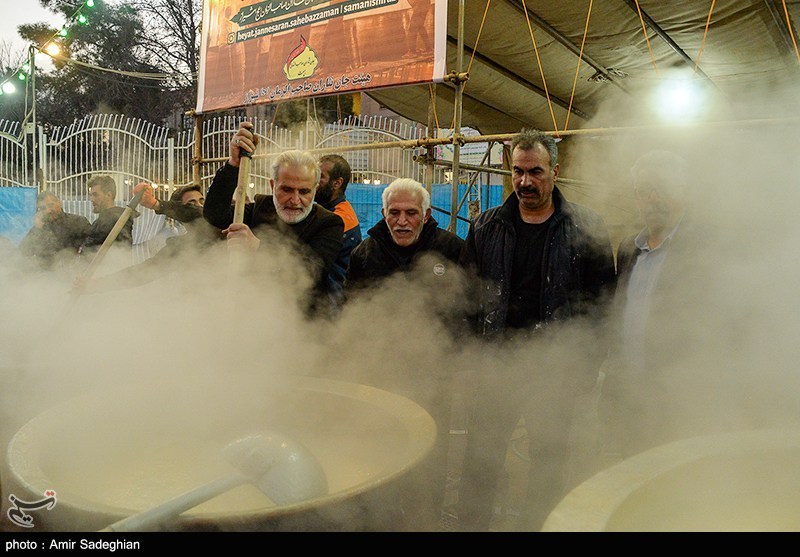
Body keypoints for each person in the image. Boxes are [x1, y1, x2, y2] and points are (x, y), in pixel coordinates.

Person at [456, 128, 616, 531]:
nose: (525, 182)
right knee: (480, 463)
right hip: (497, 367)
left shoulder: (586, 227)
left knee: (548, 465)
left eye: (535, 172)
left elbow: (602, 306)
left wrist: (584, 369)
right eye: (518, 171)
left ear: (555, 172)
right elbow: (466, 301)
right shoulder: (486, 227)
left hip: (554, 371)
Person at [343, 177, 464, 530]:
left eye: (411, 213)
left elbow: (468, 311)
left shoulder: (451, 250)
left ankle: (425, 522)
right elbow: (351, 316)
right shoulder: (365, 254)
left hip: (434, 378)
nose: (402, 221)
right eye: (394, 212)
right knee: (381, 452)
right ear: (383, 214)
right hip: (381, 377)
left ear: (426, 214)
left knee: (431, 458)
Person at [598, 150, 718, 460]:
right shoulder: (629, 248)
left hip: (676, 402)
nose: (653, 199)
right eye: (644, 191)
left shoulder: (706, 250)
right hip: (627, 398)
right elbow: (619, 321)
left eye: (662, 188)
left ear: (684, 190)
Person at [203, 122, 344, 315]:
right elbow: (215, 214)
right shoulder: (260, 209)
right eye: (286, 190)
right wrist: (233, 165)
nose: (295, 200)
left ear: (315, 189)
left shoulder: (329, 224)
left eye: (304, 191)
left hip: (302, 324)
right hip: (251, 315)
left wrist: (258, 248)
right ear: (272, 185)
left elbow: (308, 272)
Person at [75, 184, 222, 293]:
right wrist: (98, 284)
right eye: (191, 204)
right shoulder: (181, 247)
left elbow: (203, 214)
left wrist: (155, 204)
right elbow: (145, 271)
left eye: (202, 201)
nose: (199, 207)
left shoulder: (224, 227)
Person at [315, 154, 362, 308]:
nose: (314, 181)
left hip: (333, 303)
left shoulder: (339, 219)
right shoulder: (329, 210)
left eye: (320, 177)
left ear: (337, 183)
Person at [19, 191, 90, 270]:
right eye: (43, 208)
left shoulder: (78, 222)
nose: (48, 210)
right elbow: (23, 251)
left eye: (51, 205)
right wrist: (37, 229)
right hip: (46, 274)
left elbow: (92, 247)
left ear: (59, 203)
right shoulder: (40, 228)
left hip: (73, 271)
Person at [78, 175, 138, 259]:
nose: (92, 199)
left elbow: (123, 250)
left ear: (109, 195)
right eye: (90, 195)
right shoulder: (100, 221)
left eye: (95, 195)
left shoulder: (119, 220)